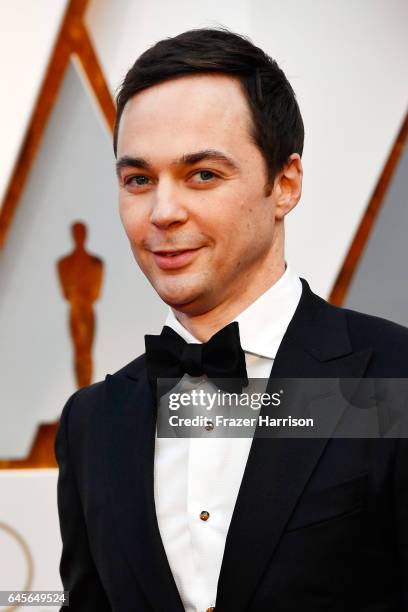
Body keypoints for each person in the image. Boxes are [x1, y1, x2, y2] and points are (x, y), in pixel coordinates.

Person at [55, 28, 408, 611]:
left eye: (203, 175)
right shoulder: (92, 423)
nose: (163, 212)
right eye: (138, 180)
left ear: (285, 184)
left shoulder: (393, 379)